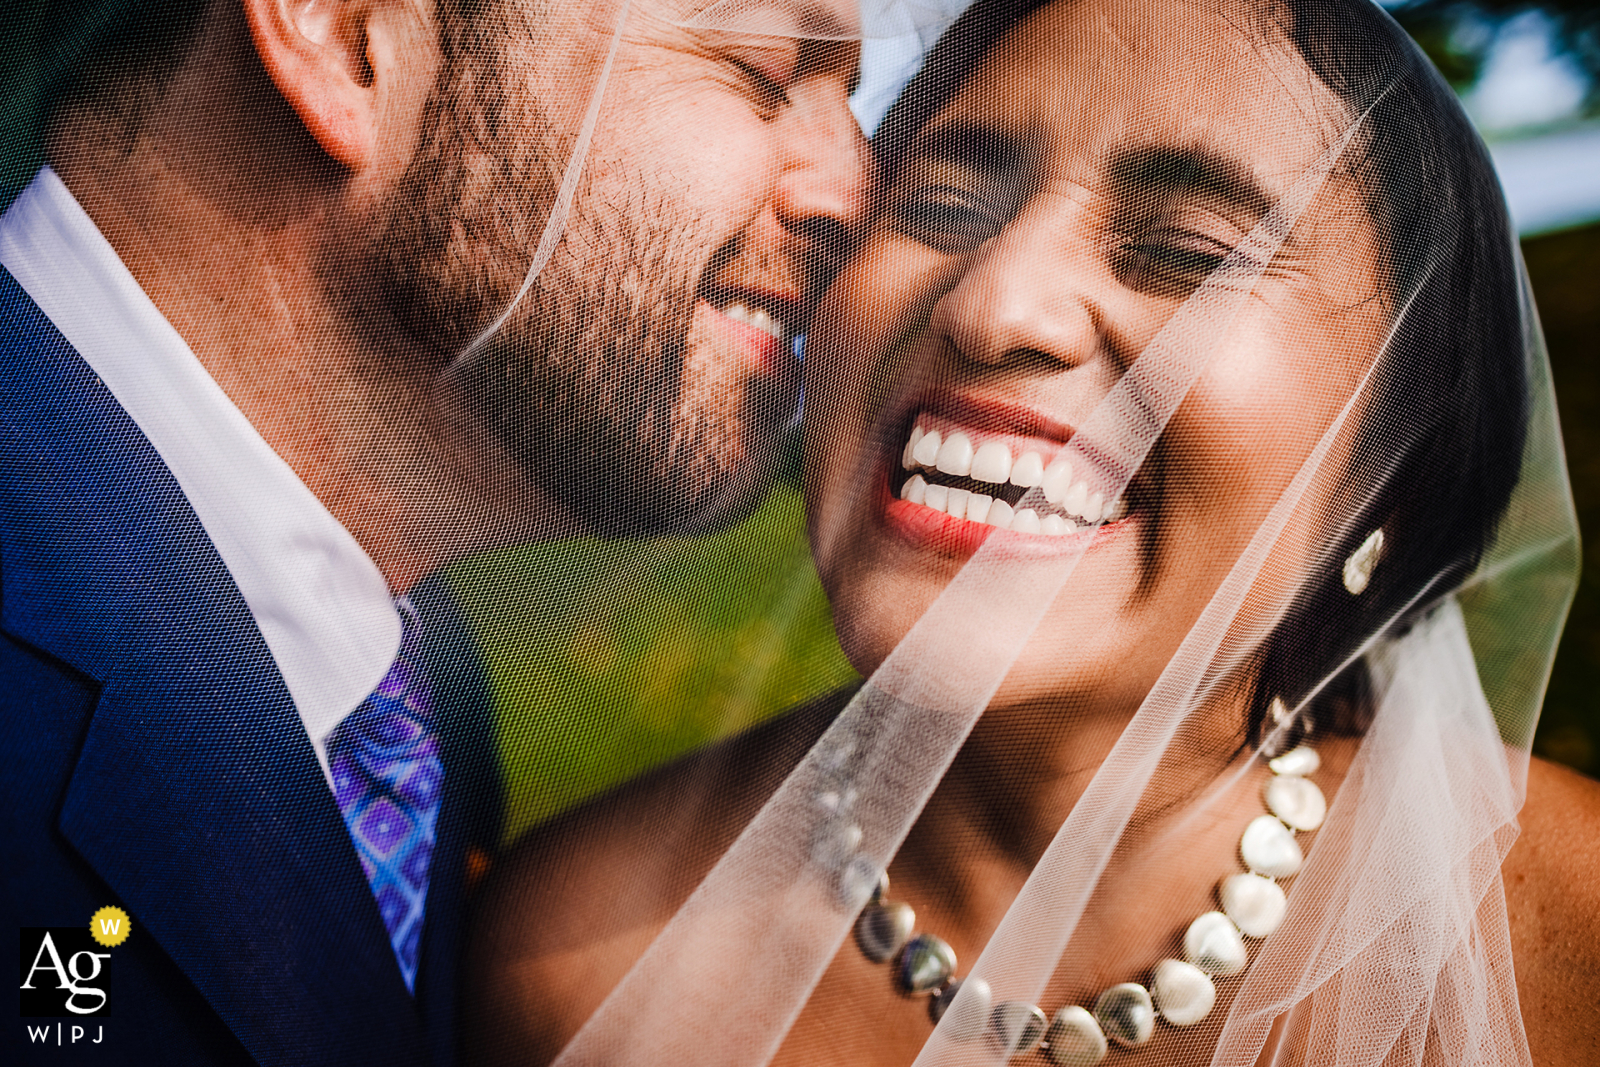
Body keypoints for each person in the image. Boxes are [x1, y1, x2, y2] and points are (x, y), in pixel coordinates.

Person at [464, 0, 1600, 1064]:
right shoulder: (569, 955)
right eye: (944, 207)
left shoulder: (1573, 929)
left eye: (1189, 253)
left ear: (1392, 475)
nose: (991, 304)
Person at [0, 0, 866, 1063]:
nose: (855, 195)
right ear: (348, 37)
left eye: (851, 100)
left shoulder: (412, 691)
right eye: (763, 69)